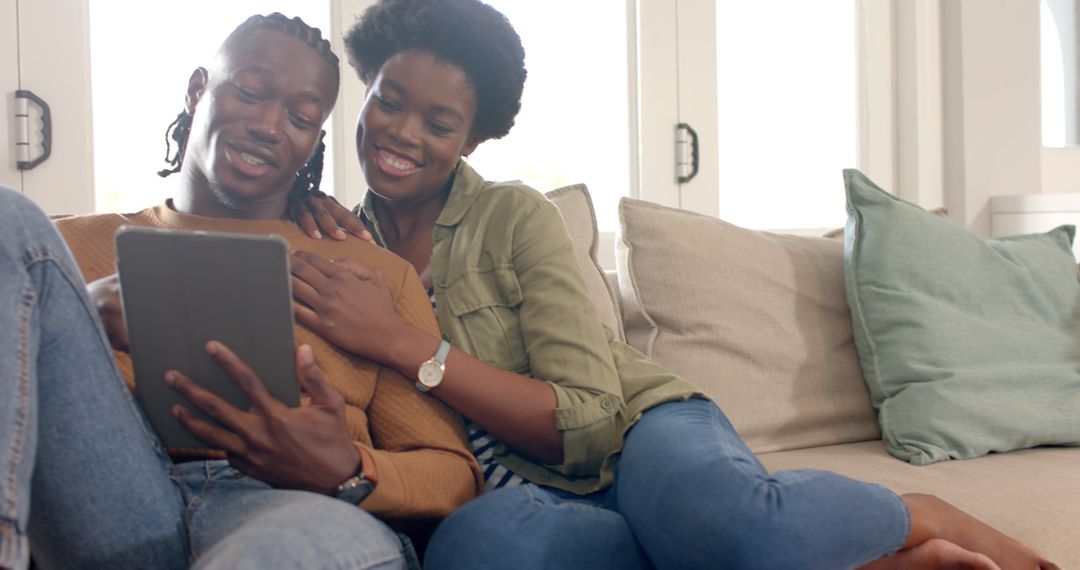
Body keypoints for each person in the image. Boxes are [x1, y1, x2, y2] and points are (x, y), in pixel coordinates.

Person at [285, 1, 1060, 569]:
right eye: (390, 102)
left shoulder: (510, 216)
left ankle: (908, 515)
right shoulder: (346, 243)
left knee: (746, 534)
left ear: (474, 137)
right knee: (474, 555)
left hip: (636, 436)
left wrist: (400, 339)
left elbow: (585, 418)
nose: (401, 133)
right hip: (521, 494)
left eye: (439, 122)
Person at [0, 13, 480, 570]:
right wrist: (82, 310)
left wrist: (348, 467)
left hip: (298, 508)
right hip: (117, 505)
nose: (270, 127)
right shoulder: (59, 255)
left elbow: (454, 476)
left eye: (301, 118)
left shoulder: (370, 272)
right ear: (197, 89)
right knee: (10, 217)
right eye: (251, 93)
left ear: (314, 143)